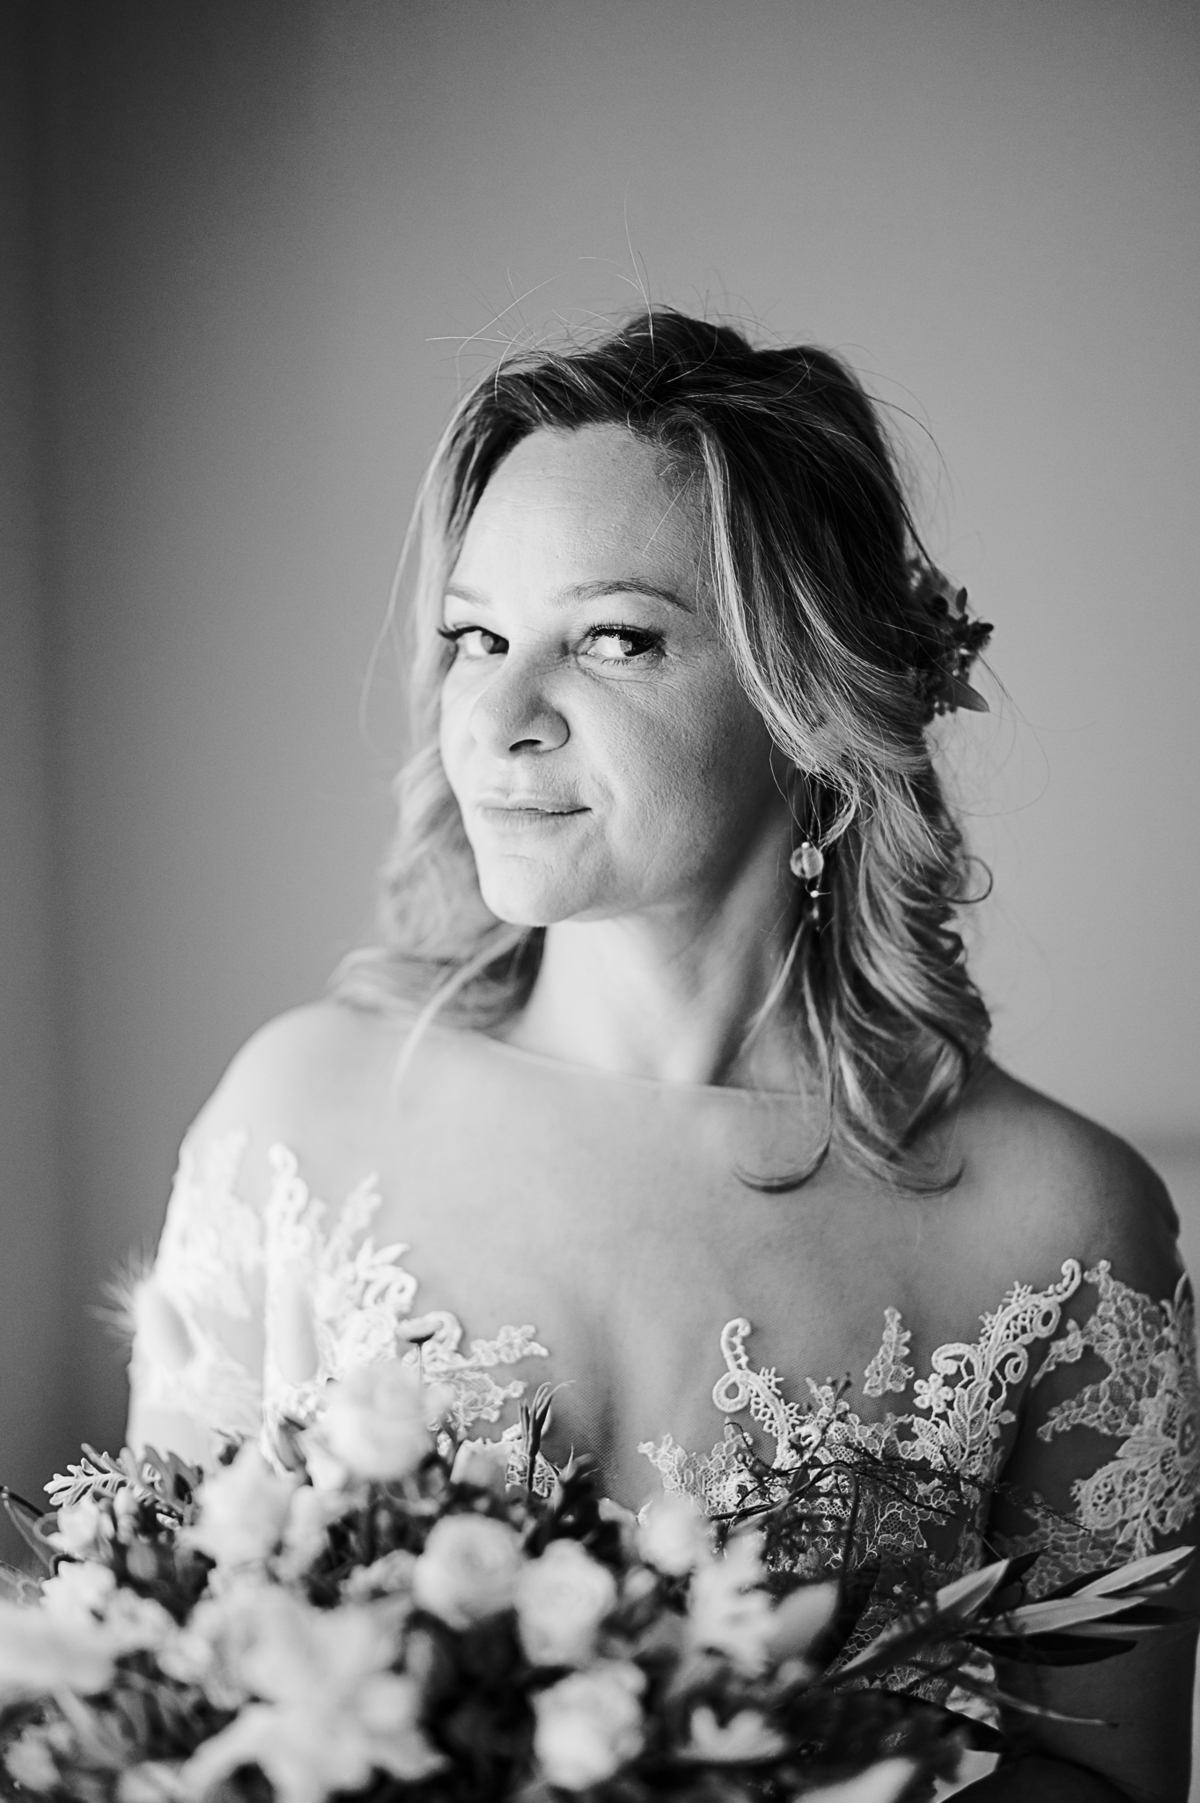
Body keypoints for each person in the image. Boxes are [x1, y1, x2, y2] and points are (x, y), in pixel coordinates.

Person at [127, 311, 1199, 1800]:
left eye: (613, 639)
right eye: (476, 637)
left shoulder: (1057, 1225)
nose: (496, 716)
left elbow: (1107, 1782)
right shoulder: (299, 1121)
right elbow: (151, 1688)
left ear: (808, 703)